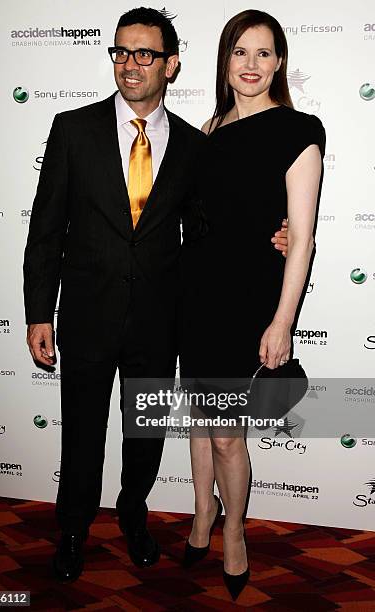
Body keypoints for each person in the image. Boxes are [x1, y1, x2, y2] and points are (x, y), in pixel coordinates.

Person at [23, 7, 289, 584]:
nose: (129, 64)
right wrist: (38, 313)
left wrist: (279, 232)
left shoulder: (198, 146)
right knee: (82, 434)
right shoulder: (73, 129)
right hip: (88, 315)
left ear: (170, 65)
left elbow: (217, 223)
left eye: (144, 53)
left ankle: (133, 517)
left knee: (143, 435)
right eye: (120, 51)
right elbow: (45, 227)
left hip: (160, 320)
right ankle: (72, 530)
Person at [180, 9, 325, 601]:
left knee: (225, 435)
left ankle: (234, 532)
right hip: (197, 294)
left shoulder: (300, 130)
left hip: (251, 299)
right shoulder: (206, 133)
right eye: (240, 51)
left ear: (280, 63)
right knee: (200, 417)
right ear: (225, 60)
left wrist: (282, 319)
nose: (251, 64)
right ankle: (200, 513)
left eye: (264, 53)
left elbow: (304, 233)